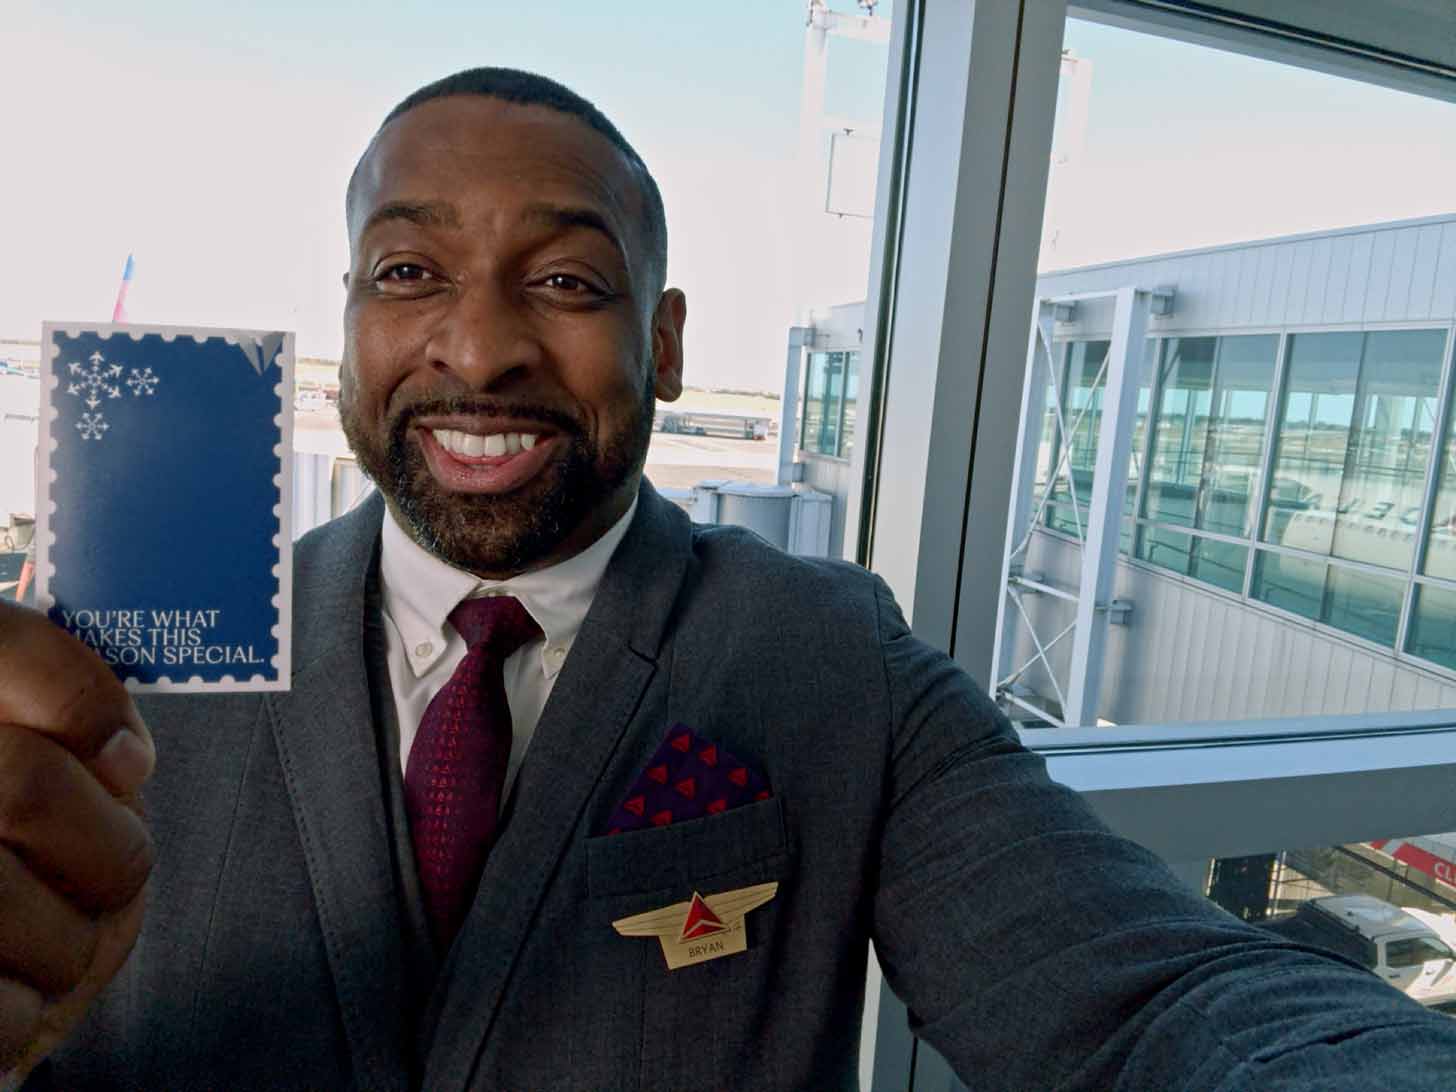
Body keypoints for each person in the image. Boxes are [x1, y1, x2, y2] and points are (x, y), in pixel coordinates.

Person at [2, 67, 1455, 1092]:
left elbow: (1142, 997)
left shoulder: (831, 661)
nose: (481, 347)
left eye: (568, 282)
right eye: (407, 275)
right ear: (349, 317)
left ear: (672, 345)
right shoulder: (122, 668)